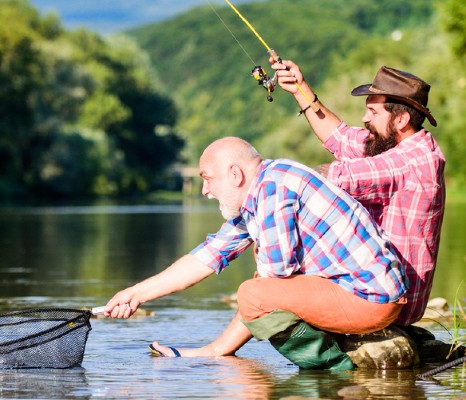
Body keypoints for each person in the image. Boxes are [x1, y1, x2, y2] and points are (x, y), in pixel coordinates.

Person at [103, 137, 407, 370]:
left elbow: (274, 277)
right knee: (258, 288)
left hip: (370, 299)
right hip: (362, 292)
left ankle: (335, 367)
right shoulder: (263, 188)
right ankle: (219, 350)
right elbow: (207, 256)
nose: (205, 191)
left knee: (254, 291)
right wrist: (136, 293)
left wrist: (221, 343)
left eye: (207, 178)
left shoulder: (273, 190)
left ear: (235, 174)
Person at [269, 59, 446, 328]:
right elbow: (339, 137)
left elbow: (337, 177)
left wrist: (274, 183)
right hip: (381, 290)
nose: (365, 119)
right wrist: (299, 89)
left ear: (401, 119)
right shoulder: (395, 143)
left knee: (268, 289)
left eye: (373, 113)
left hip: (391, 304)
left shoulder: (412, 160)